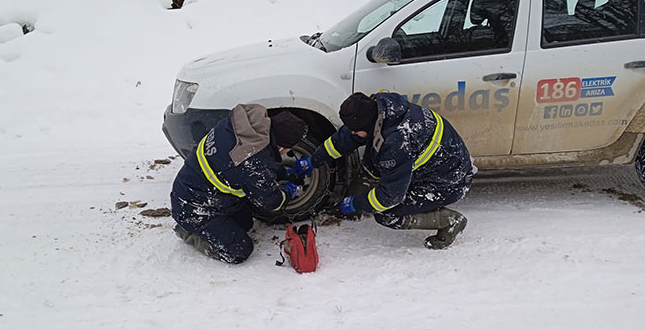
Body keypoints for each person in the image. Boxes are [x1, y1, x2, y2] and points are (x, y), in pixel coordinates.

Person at [297, 92, 473, 249]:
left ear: (366, 125)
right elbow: (345, 138)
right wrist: (314, 160)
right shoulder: (380, 108)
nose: (353, 133)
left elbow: (389, 197)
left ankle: (450, 220)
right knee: (373, 162)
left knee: (385, 213)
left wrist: (357, 203)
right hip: (433, 165)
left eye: (356, 130)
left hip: (449, 181)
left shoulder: (397, 142)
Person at [170, 105, 309, 263]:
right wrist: (287, 192)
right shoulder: (253, 160)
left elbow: (252, 164)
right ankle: (188, 231)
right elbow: (272, 202)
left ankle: (213, 225)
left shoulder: (247, 126)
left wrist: (282, 173)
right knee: (240, 250)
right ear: (282, 147)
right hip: (193, 206)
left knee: (245, 223)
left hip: (197, 186)